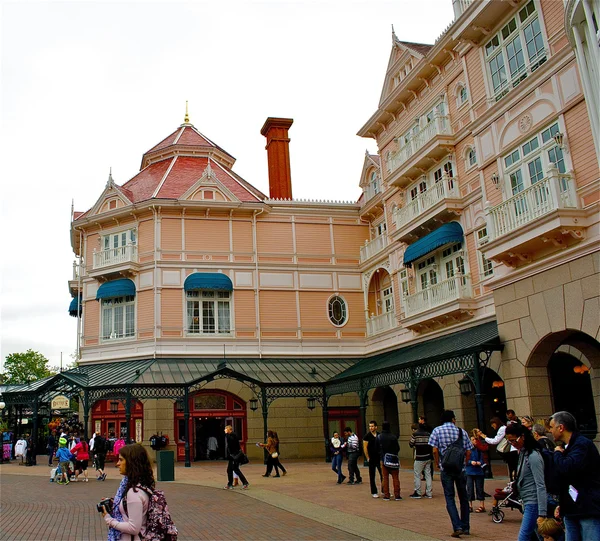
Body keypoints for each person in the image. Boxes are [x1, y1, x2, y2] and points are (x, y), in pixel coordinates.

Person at [548, 410, 600, 541]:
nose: (550, 431)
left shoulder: (581, 444)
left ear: (561, 428)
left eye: (551, 427)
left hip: (586, 507)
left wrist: (557, 453)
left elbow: (567, 468)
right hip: (572, 508)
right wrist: (563, 504)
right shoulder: (569, 446)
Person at [429, 410, 473, 538]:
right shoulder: (461, 431)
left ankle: (457, 526)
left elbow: (435, 450)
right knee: (463, 497)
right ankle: (466, 526)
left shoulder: (437, 431)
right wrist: (464, 463)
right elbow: (468, 450)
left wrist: (438, 463)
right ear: (453, 419)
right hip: (460, 469)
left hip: (446, 468)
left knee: (449, 497)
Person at [102, 443, 154, 541]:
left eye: (121, 460)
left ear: (132, 462)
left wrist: (109, 519)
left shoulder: (134, 492)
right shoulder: (142, 486)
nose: (117, 464)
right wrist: (116, 503)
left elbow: (134, 528)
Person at [505, 422, 547, 541]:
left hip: (533, 502)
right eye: (510, 442)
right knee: (539, 537)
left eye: (514, 440)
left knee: (524, 537)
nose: (513, 444)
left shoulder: (533, 455)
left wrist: (542, 513)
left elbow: (540, 484)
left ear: (522, 436)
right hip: (527, 500)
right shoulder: (524, 453)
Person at [477, 417, 518, 481]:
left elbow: (495, 441)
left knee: (512, 468)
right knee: (512, 468)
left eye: (493, 423)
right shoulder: (503, 428)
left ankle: (513, 483)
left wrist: (484, 437)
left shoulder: (502, 428)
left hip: (511, 451)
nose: (492, 426)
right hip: (512, 451)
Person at [378, 420, 401, 501]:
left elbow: (377, 448)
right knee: (395, 477)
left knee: (385, 477)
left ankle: (386, 495)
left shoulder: (380, 437)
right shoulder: (393, 437)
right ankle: (397, 495)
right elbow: (397, 448)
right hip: (394, 458)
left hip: (384, 458)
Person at [409, 422, 433, 499]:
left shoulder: (415, 435)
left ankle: (418, 492)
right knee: (428, 474)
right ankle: (429, 492)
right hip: (428, 456)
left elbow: (411, 444)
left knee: (417, 474)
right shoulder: (428, 434)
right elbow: (431, 445)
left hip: (419, 456)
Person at [223, 425, 249, 489]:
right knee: (234, 469)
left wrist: (227, 434)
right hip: (233, 456)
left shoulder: (233, 435)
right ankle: (243, 482)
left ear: (229, 429)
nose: (225, 430)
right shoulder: (231, 435)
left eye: (226, 429)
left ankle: (231, 484)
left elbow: (231, 442)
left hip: (234, 455)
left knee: (232, 470)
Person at [466, 433, 486, 513]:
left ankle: (482, 505)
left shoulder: (479, 450)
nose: (474, 441)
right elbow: (465, 460)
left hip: (478, 471)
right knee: (470, 488)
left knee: (480, 488)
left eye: (475, 440)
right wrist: (471, 462)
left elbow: (482, 460)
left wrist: (479, 462)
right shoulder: (467, 450)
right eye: (473, 440)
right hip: (469, 471)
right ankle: (470, 505)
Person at [363, 420, 382, 498]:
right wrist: (367, 457)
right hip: (372, 458)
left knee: (382, 474)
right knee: (372, 475)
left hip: (379, 458)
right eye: (370, 426)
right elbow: (365, 447)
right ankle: (374, 491)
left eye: (372, 426)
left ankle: (384, 490)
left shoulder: (379, 435)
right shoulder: (367, 436)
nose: (371, 428)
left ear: (376, 427)